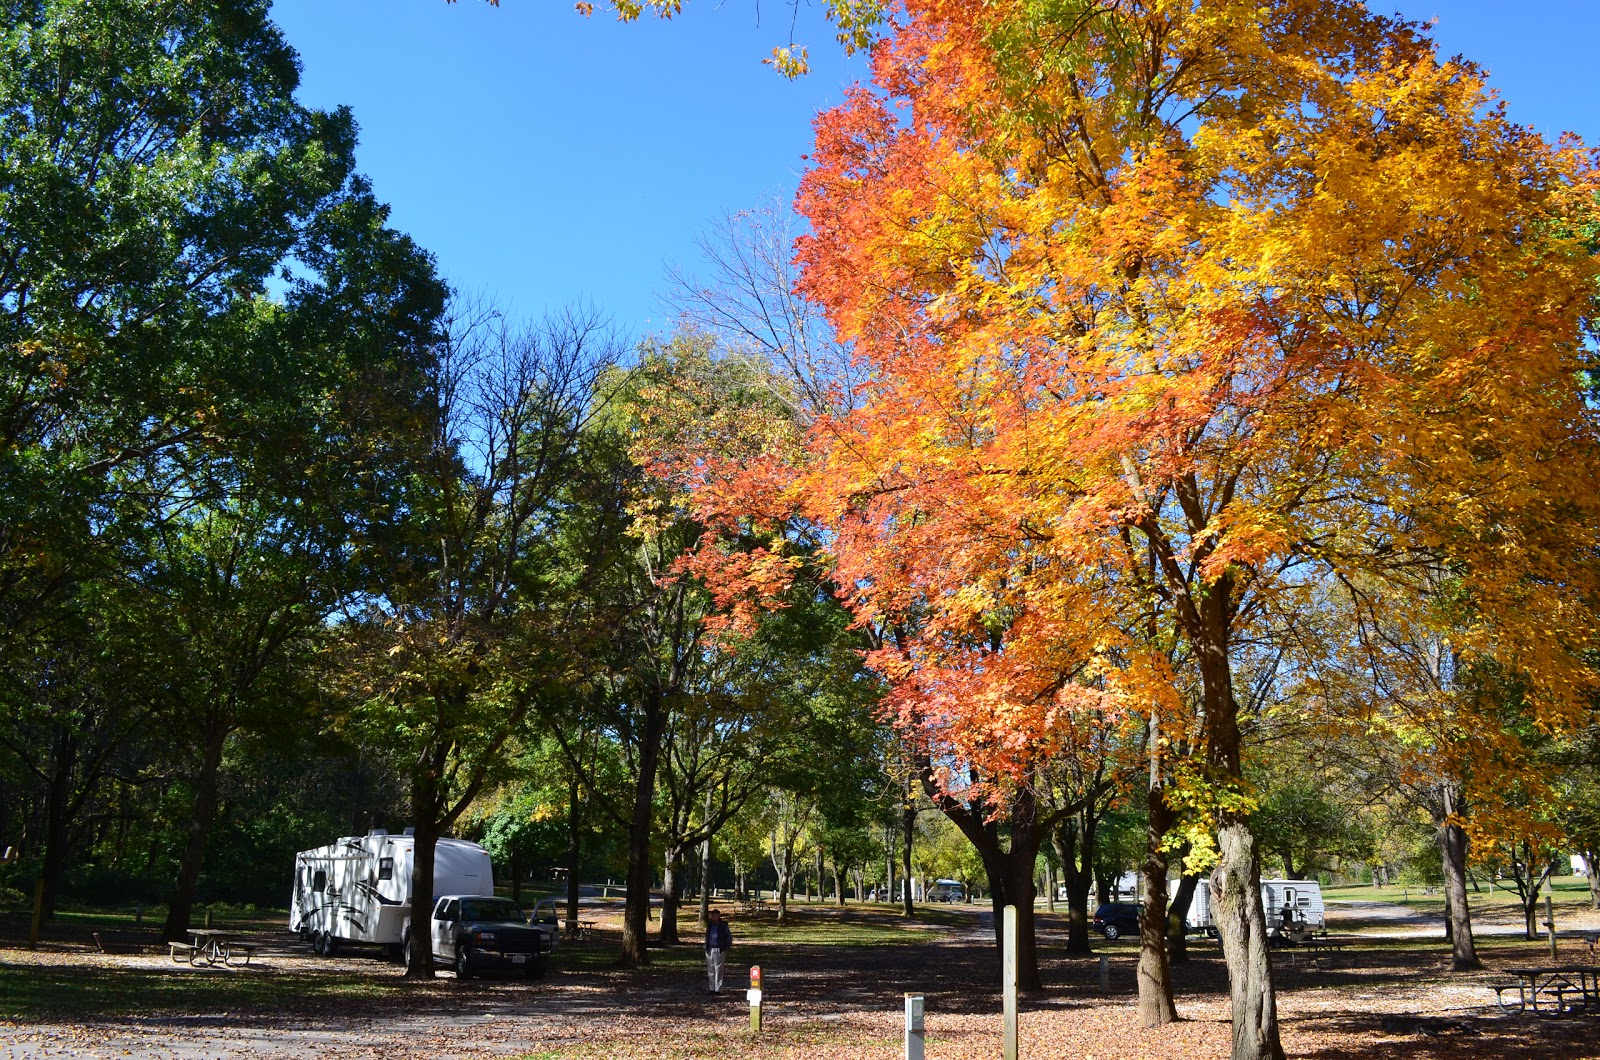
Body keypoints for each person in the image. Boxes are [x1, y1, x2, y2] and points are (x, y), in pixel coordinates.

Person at [704, 908, 733, 994]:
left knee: (719, 970)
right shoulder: (709, 924)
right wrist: (706, 946)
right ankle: (711, 988)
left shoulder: (723, 925)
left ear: (719, 916)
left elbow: (729, 937)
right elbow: (707, 936)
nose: (714, 917)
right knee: (710, 969)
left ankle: (718, 989)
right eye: (712, 915)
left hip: (719, 949)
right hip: (710, 949)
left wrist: (726, 948)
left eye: (715, 915)